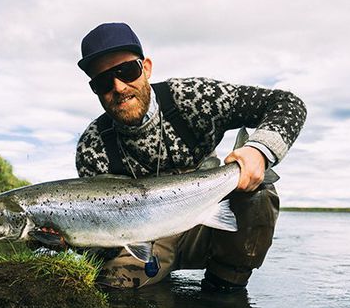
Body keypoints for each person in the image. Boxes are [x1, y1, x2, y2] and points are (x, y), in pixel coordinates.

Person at [75, 22, 306, 292]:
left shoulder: (191, 98)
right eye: (103, 82)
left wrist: (258, 150)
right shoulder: (92, 146)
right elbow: (105, 240)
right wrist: (70, 238)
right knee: (112, 290)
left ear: (146, 68)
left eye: (127, 71)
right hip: (146, 242)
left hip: (208, 219)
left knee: (258, 194)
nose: (118, 86)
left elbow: (287, 104)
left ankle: (225, 289)